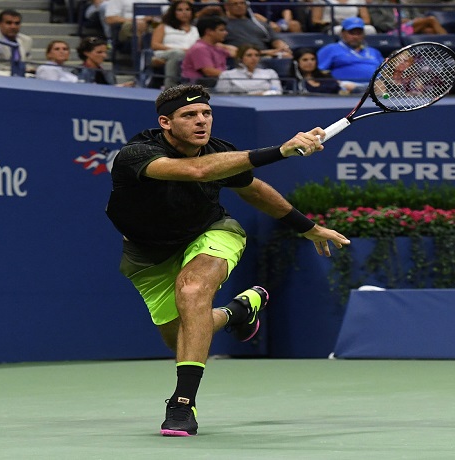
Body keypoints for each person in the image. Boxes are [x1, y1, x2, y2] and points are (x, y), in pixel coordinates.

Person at [106, 84, 350, 436]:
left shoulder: (221, 152)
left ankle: (181, 404)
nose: (201, 120)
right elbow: (197, 172)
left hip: (211, 232)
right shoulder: (137, 154)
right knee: (182, 337)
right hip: (147, 254)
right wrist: (281, 150)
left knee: (191, 291)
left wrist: (306, 227)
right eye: (189, 115)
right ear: (166, 122)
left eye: (206, 113)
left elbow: (254, 190)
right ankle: (238, 310)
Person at [316, 17, 383, 92]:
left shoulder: (374, 51)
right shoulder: (330, 49)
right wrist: (337, 83)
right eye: (351, 33)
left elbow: (384, 72)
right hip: (345, 88)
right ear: (342, 33)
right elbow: (320, 72)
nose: (355, 37)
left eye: (359, 33)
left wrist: (381, 82)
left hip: (374, 88)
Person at [151, 0, 199, 89]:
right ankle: (170, 87)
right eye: (180, 10)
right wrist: (179, 50)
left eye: (187, 9)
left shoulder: (195, 29)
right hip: (165, 53)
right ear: (173, 12)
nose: (184, 13)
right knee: (177, 53)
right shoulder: (164, 27)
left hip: (190, 55)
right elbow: (155, 45)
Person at [222, 0, 292, 58]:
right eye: (235, 4)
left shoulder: (259, 23)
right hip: (241, 58)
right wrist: (263, 53)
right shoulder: (222, 25)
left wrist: (283, 48)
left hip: (268, 56)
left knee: (288, 56)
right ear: (226, 6)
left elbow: (275, 39)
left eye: (242, 3)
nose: (239, 6)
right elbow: (217, 45)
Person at [180, 15, 234, 85]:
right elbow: (209, 72)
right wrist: (233, 76)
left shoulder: (217, 47)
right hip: (198, 87)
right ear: (209, 32)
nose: (225, 33)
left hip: (218, 82)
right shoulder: (199, 48)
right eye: (221, 30)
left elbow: (235, 52)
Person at [215, 43, 282, 94]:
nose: (254, 58)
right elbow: (222, 95)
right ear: (240, 58)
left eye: (257, 55)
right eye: (249, 55)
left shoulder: (270, 73)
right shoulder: (227, 75)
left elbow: (278, 92)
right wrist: (257, 94)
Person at [310, 0, 375, 35]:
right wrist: (330, 23)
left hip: (354, 25)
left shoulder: (359, 1)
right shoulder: (320, 1)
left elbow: (366, 20)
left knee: (371, 29)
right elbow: (316, 20)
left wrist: (352, 23)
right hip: (333, 26)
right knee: (337, 30)